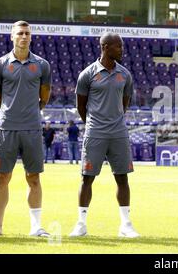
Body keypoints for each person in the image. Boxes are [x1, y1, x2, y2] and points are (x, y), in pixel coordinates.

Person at [0, 20, 51, 237]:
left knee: (34, 178)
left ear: (31, 37)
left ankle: (36, 227)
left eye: (27, 33)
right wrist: (10, 111)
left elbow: (45, 95)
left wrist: (31, 111)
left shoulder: (42, 65)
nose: (23, 36)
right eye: (20, 33)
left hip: (32, 128)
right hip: (7, 129)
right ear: (12, 36)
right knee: (2, 178)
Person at [69, 32, 139, 238]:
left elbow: (124, 104)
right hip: (95, 132)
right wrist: (94, 124)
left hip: (118, 133)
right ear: (106, 47)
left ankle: (126, 225)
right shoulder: (87, 74)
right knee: (87, 179)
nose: (122, 50)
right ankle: (81, 224)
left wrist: (114, 119)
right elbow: (81, 106)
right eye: (119, 47)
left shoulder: (125, 74)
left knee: (122, 178)